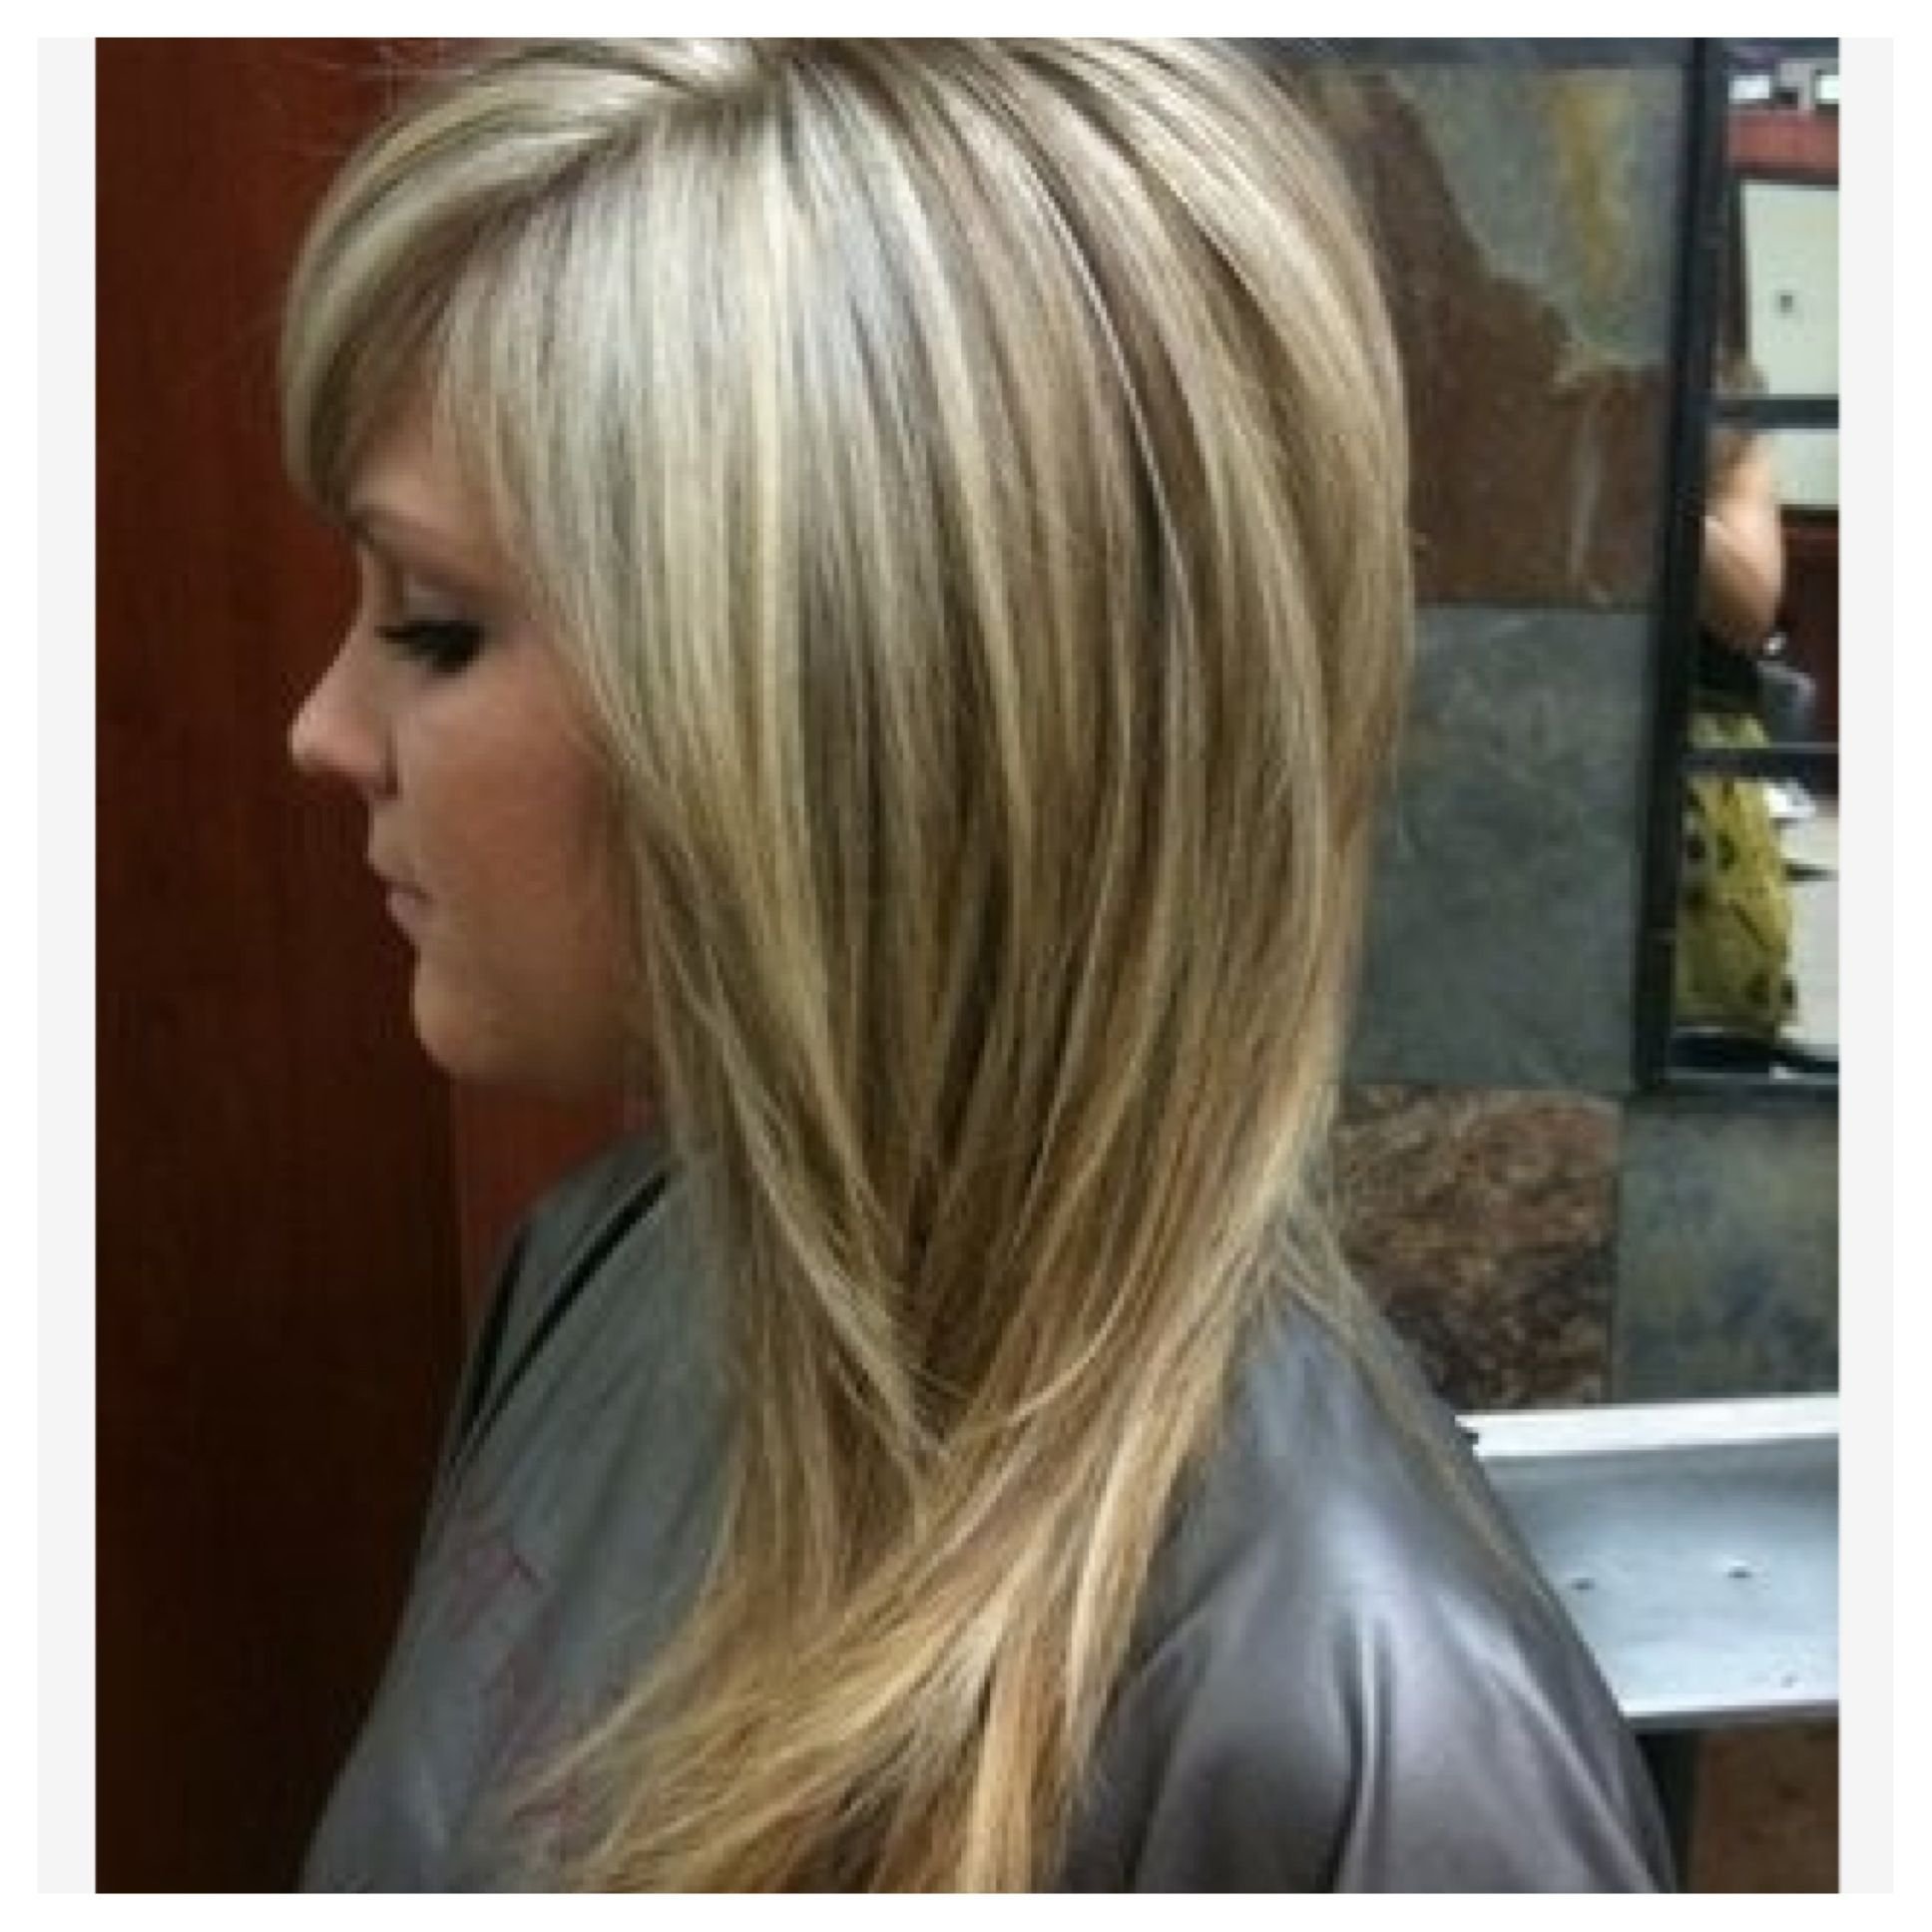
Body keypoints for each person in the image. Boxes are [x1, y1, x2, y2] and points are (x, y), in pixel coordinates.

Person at [283, 40, 1673, 1892]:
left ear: (851, 705)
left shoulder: (1361, 1747)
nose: (323, 730)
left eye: (435, 626)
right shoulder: (604, 1262)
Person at [1674, 366, 1799, 1051]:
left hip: (1696, 752)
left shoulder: (1722, 412)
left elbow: (1748, 611)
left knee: (1713, 1030)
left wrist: (1648, 460)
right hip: (1544, 728)